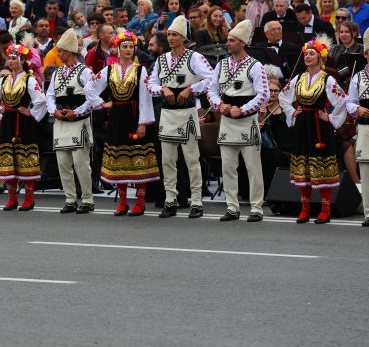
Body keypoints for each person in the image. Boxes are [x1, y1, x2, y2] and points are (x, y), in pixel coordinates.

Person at [147, 15, 214, 218]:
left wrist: (192, 88)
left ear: (183, 37)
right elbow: (150, 84)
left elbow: (211, 78)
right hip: (168, 113)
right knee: (167, 160)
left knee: (192, 159)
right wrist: (162, 89)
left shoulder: (194, 57)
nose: (170, 38)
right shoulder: (161, 59)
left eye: (174, 35)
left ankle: (196, 202)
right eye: (168, 34)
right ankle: (170, 200)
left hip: (187, 113)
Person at [278, 37, 347, 224]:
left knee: (322, 167)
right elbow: (283, 96)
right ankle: (305, 209)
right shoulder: (299, 78)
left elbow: (343, 100)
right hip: (302, 125)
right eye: (306, 53)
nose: (307, 56)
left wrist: (331, 118)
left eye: (312, 54)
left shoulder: (327, 78)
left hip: (319, 126)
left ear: (320, 57)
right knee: (304, 167)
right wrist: (293, 112)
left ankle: (325, 209)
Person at [207, 20, 269, 222]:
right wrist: (219, 105)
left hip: (246, 121)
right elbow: (211, 90)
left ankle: (256, 207)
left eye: (231, 40)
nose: (227, 43)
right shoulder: (221, 64)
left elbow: (263, 94)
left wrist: (242, 110)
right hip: (227, 119)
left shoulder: (255, 65)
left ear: (242, 43)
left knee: (253, 167)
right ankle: (232, 207)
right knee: (228, 167)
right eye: (227, 40)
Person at [93, 31, 159, 216]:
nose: (128, 49)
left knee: (138, 159)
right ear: (118, 49)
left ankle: (140, 201)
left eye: (131, 46)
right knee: (118, 161)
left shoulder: (140, 69)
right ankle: (122, 202)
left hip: (134, 115)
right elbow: (91, 88)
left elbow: (145, 97)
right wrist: (102, 104)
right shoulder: (109, 70)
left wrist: (143, 122)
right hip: (116, 117)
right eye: (125, 46)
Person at [46, 29, 102, 214]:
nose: (58, 53)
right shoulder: (56, 73)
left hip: (79, 121)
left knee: (80, 163)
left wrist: (76, 112)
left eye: (60, 51)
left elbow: (92, 99)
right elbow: (50, 96)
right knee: (63, 162)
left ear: (69, 52)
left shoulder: (85, 72)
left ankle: (87, 199)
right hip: (61, 121)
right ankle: (70, 199)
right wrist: (54, 111)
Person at [0, 43, 46, 211]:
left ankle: (29, 198)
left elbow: (41, 99)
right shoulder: (4, 80)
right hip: (8, 121)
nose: (10, 61)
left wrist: (31, 112)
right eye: (9, 58)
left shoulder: (29, 78)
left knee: (25, 158)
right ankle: (12, 198)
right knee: (8, 158)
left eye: (14, 58)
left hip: (24, 122)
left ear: (22, 60)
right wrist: (0, 110)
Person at [345, 28, 369, 227]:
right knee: (366, 169)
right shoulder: (358, 77)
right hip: (365, 128)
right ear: (366, 54)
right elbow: (349, 102)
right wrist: (358, 109)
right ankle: (368, 213)